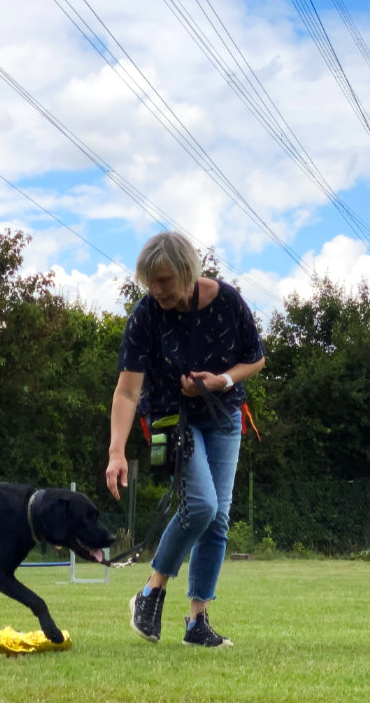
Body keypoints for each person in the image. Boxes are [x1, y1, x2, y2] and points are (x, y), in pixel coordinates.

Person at [105, 231, 266, 647]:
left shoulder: (227, 301)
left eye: (164, 281)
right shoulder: (146, 315)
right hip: (170, 419)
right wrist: (116, 451)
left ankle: (197, 622)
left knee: (218, 518)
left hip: (224, 415)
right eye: (150, 282)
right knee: (202, 505)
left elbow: (256, 357)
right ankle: (151, 591)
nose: (156, 290)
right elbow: (126, 391)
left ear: (186, 272)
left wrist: (222, 380)